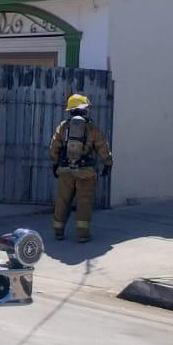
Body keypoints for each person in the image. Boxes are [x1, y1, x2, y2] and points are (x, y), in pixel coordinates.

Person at [49, 93, 112, 243]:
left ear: (70, 111)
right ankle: (82, 234)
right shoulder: (92, 128)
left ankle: (58, 231)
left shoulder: (63, 127)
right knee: (84, 202)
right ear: (84, 110)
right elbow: (103, 147)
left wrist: (55, 164)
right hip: (86, 172)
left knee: (62, 201)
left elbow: (54, 147)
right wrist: (108, 163)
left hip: (65, 170)